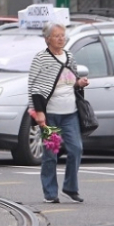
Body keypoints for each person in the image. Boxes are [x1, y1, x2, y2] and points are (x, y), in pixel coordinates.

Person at [29, 22, 89, 204]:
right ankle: (50, 193)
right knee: (50, 154)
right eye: (57, 36)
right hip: (50, 116)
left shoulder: (70, 57)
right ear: (47, 39)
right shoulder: (40, 58)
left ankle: (70, 187)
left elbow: (70, 80)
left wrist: (79, 83)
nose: (61, 38)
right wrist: (39, 113)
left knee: (76, 148)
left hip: (70, 113)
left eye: (63, 35)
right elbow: (34, 86)